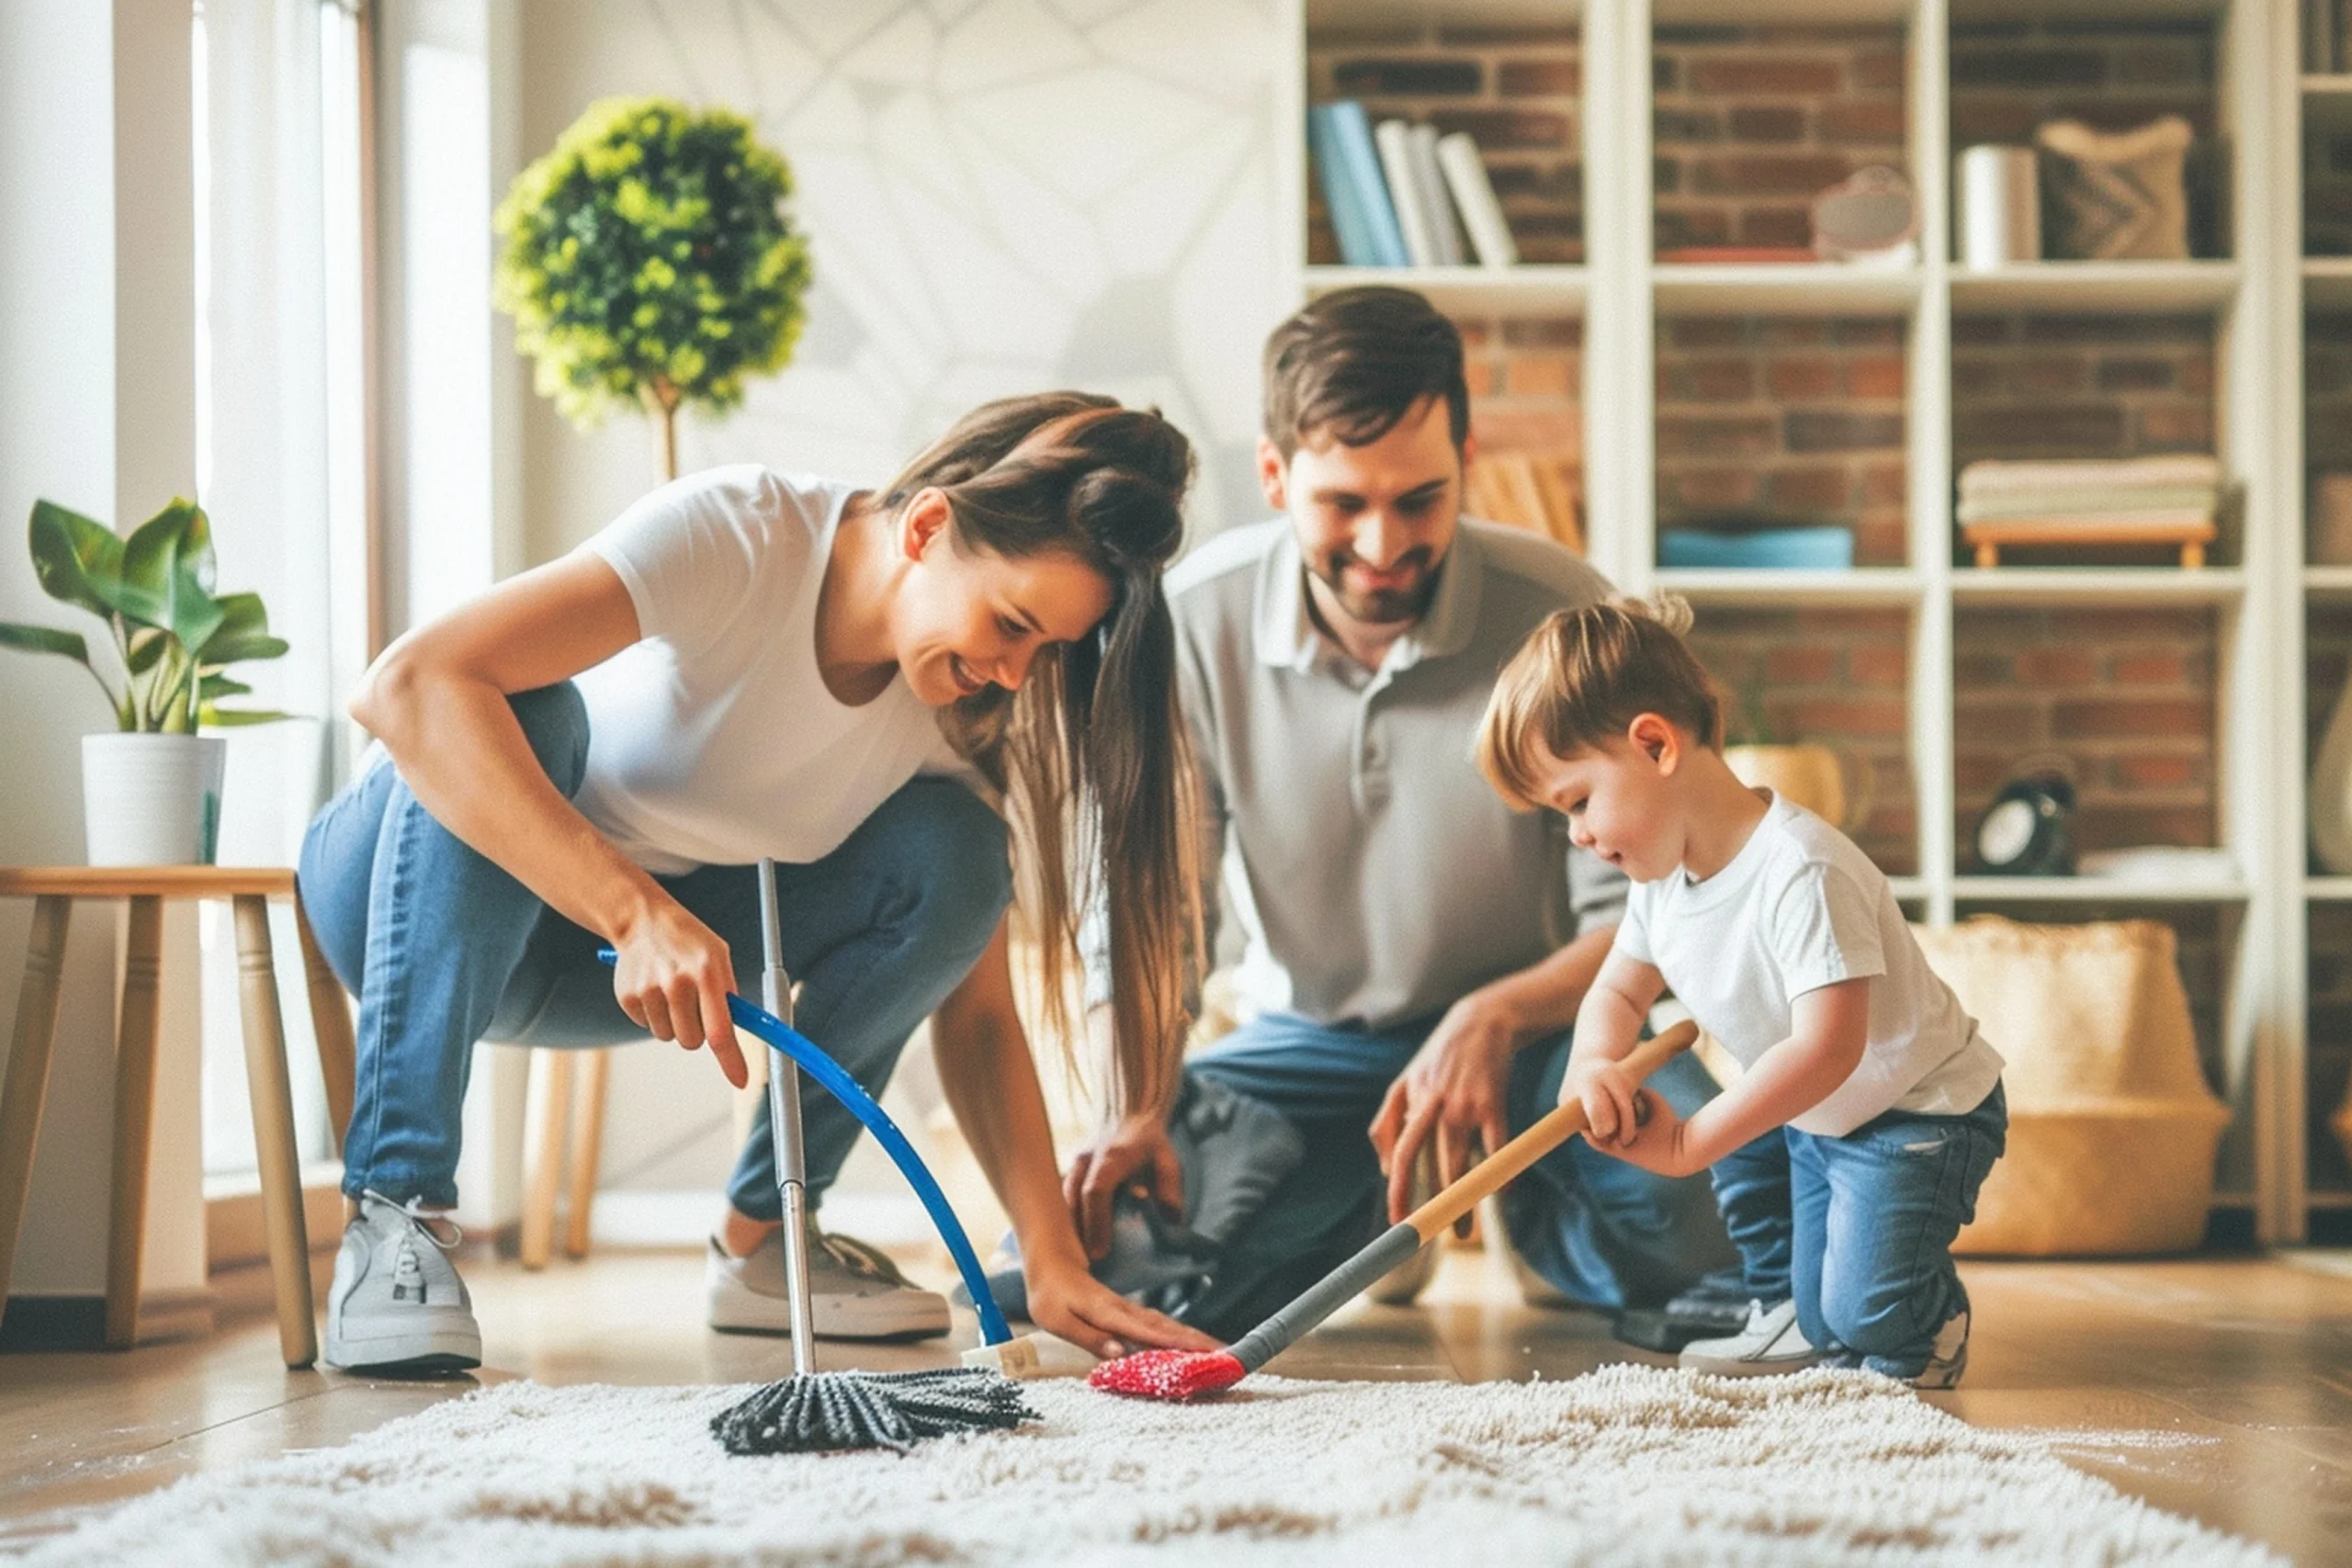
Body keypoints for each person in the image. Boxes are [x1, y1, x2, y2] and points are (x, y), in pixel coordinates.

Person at [298, 392, 1220, 1373]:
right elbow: (407, 687)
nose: (1011, 673)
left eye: (1045, 652)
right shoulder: (740, 535)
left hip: (598, 975)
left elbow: (981, 1011)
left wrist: (1050, 1259)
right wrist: (634, 910)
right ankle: (393, 1216)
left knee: (959, 856)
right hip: (403, 902)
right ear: (928, 526)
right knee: (532, 711)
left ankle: (761, 1244)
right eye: (1011, 624)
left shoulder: (951, 709)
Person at [1058, 288, 1736, 1341]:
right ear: (1275, 475)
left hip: (1549, 1041)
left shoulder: (1562, 609)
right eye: (1343, 505)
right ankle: (1383, 1194)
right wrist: (1130, 1106)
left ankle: (1522, 1204)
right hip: (1309, 1050)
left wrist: (1492, 1015)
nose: (1383, 544)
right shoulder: (1191, 624)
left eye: (1420, 500)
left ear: (1465, 459)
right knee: (1109, 1260)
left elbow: (1652, 908)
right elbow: (1150, 915)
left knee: (1724, 1233)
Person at [1476, 595, 2007, 1388]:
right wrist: (1592, 1062)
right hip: (1821, 1109)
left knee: (1866, 1320)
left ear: (1654, 743)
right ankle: (1791, 1310)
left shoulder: (1800, 869)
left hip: (1914, 1112)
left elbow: (1828, 1046)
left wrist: (1691, 1144)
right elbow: (1617, 993)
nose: (1578, 835)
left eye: (1578, 801)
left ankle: (1926, 1319)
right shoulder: (1662, 883)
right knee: (1814, 1302)